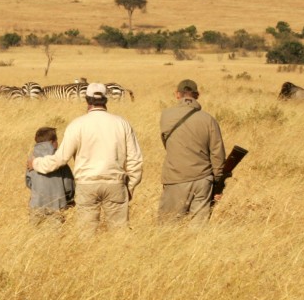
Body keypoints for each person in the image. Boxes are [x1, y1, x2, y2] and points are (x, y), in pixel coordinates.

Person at [30, 83, 143, 234]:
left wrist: (36, 163)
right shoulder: (122, 123)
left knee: (86, 235)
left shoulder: (77, 125)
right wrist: (130, 186)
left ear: (87, 100)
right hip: (116, 183)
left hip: (86, 185)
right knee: (120, 234)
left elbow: (60, 159)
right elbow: (135, 161)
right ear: (106, 100)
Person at [158, 79, 226, 226]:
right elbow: (217, 154)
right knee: (198, 229)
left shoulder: (166, 116)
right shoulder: (209, 119)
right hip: (203, 179)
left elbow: (166, 144)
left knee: (168, 227)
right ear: (197, 95)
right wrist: (218, 181)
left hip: (175, 178)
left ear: (177, 95)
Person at [25, 126, 75, 225]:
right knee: (55, 237)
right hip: (57, 205)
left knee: (35, 235)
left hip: (36, 204)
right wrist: (70, 199)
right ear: (53, 142)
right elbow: (68, 184)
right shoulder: (58, 160)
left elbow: (28, 181)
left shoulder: (32, 158)